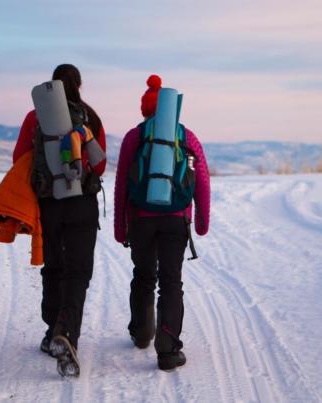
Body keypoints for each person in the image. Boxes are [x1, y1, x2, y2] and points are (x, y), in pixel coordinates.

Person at [13, 64, 107, 377]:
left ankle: (50, 330)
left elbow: (19, 159)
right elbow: (101, 163)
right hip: (82, 203)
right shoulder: (90, 116)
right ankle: (66, 333)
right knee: (78, 272)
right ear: (79, 84)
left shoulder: (35, 116)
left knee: (54, 265)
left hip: (49, 204)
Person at [113, 74, 211, 371]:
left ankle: (142, 333)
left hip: (141, 220)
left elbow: (121, 185)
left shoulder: (134, 136)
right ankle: (167, 350)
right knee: (171, 281)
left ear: (144, 110)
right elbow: (202, 180)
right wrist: (201, 222)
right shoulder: (186, 136)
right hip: (175, 220)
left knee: (143, 275)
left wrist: (121, 226)